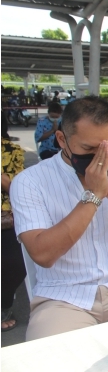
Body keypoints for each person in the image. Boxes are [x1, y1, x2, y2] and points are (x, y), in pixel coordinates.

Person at [10, 97, 108, 340]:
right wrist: (93, 196)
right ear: (62, 140)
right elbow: (42, 254)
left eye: (106, 147)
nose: (100, 158)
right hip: (63, 298)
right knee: (45, 357)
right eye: (88, 150)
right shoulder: (30, 182)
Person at [1, 111, 26, 333]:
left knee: (14, 264)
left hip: (6, 218)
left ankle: (5, 304)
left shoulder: (11, 151)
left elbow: (18, 192)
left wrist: (3, 179)